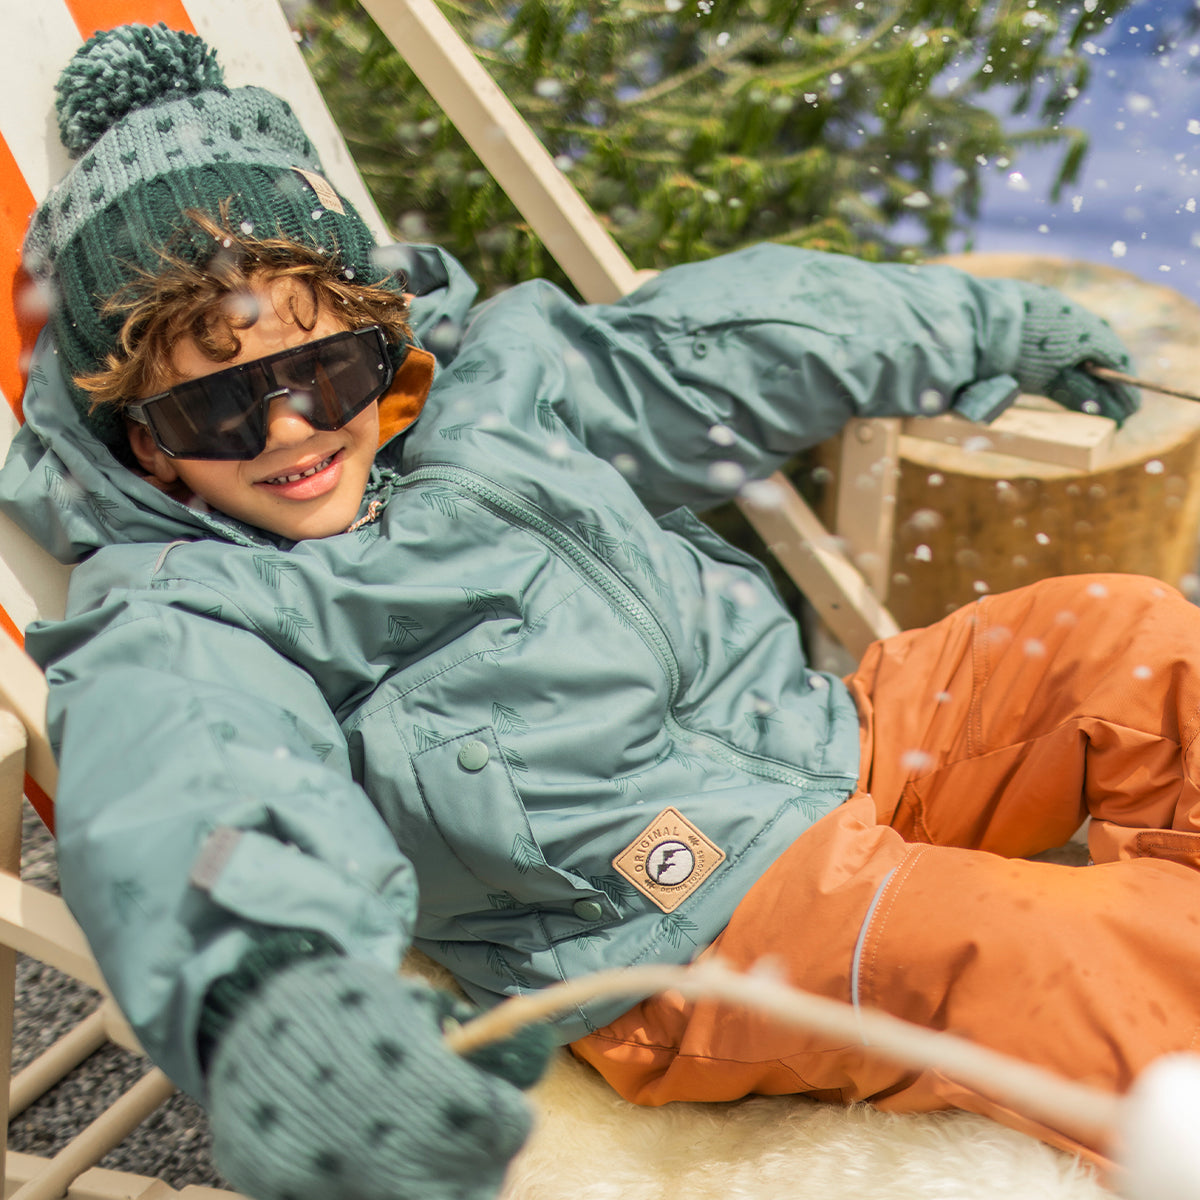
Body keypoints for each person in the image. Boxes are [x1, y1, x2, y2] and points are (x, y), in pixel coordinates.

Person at [3, 21, 1195, 1200]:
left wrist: (978, 326)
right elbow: (189, 788)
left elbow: (718, 350)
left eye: (325, 372)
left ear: (379, 333)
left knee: (1136, 647)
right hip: (680, 920)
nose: (292, 432)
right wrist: (268, 997)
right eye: (221, 411)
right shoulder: (185, 607)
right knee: (1062, 960)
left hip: (828, 730)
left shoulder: (500, 391)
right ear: (144, 444)